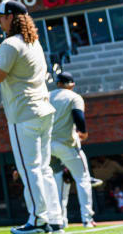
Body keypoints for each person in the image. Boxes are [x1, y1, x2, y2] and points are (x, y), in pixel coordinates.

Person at [0, 0, 63, 234]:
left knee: (29, 169)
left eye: (1, 16)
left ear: (10, 17)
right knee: (44, 168)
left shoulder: (10, 44)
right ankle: (55, 219)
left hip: (23, 113)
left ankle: (37, 220)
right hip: (43, 110)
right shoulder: (33, 42)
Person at [48, 72, 95, 228]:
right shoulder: (73, 96)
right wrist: (83, 132)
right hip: (66, 144)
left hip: (47, 145)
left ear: (58, 83)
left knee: (58, 181)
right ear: (71, 84)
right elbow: (78, 116)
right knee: (83, 180)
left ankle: (60, 220)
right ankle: (87, 219)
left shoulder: (47, 96)